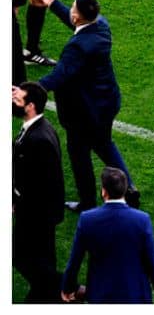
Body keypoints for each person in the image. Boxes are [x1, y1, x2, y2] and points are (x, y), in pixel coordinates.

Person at [34, 0, 140, 212]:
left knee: (79, 154)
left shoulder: (77, 48)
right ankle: (129, 188)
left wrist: (29, 89)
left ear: (77, 16)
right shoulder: (101, 26)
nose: (70, 10)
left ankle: (88, 202)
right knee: (104, 144)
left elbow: (58, 76)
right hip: (106, 101)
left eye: (72, 8)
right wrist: (54, 3)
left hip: (83, 111)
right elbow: (78, 24)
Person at [61, 167, 154, 303]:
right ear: (124, 190)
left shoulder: (87, 219)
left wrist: (67, 287)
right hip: (135, 294)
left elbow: (75, 260)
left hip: (101, 294)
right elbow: (151, 257)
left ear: (104, 192)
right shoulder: (142, 219)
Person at [12, 81, 65, 303]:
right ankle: (50, 293)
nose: (12, 103)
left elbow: (42, 182)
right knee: (41, 257)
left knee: (20, 254)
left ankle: (64, 288)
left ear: (30, 106)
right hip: (39, 210)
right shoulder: (39, 128)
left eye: (17, 100)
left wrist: (17, 201)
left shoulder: (38, 138)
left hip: (36, 212)